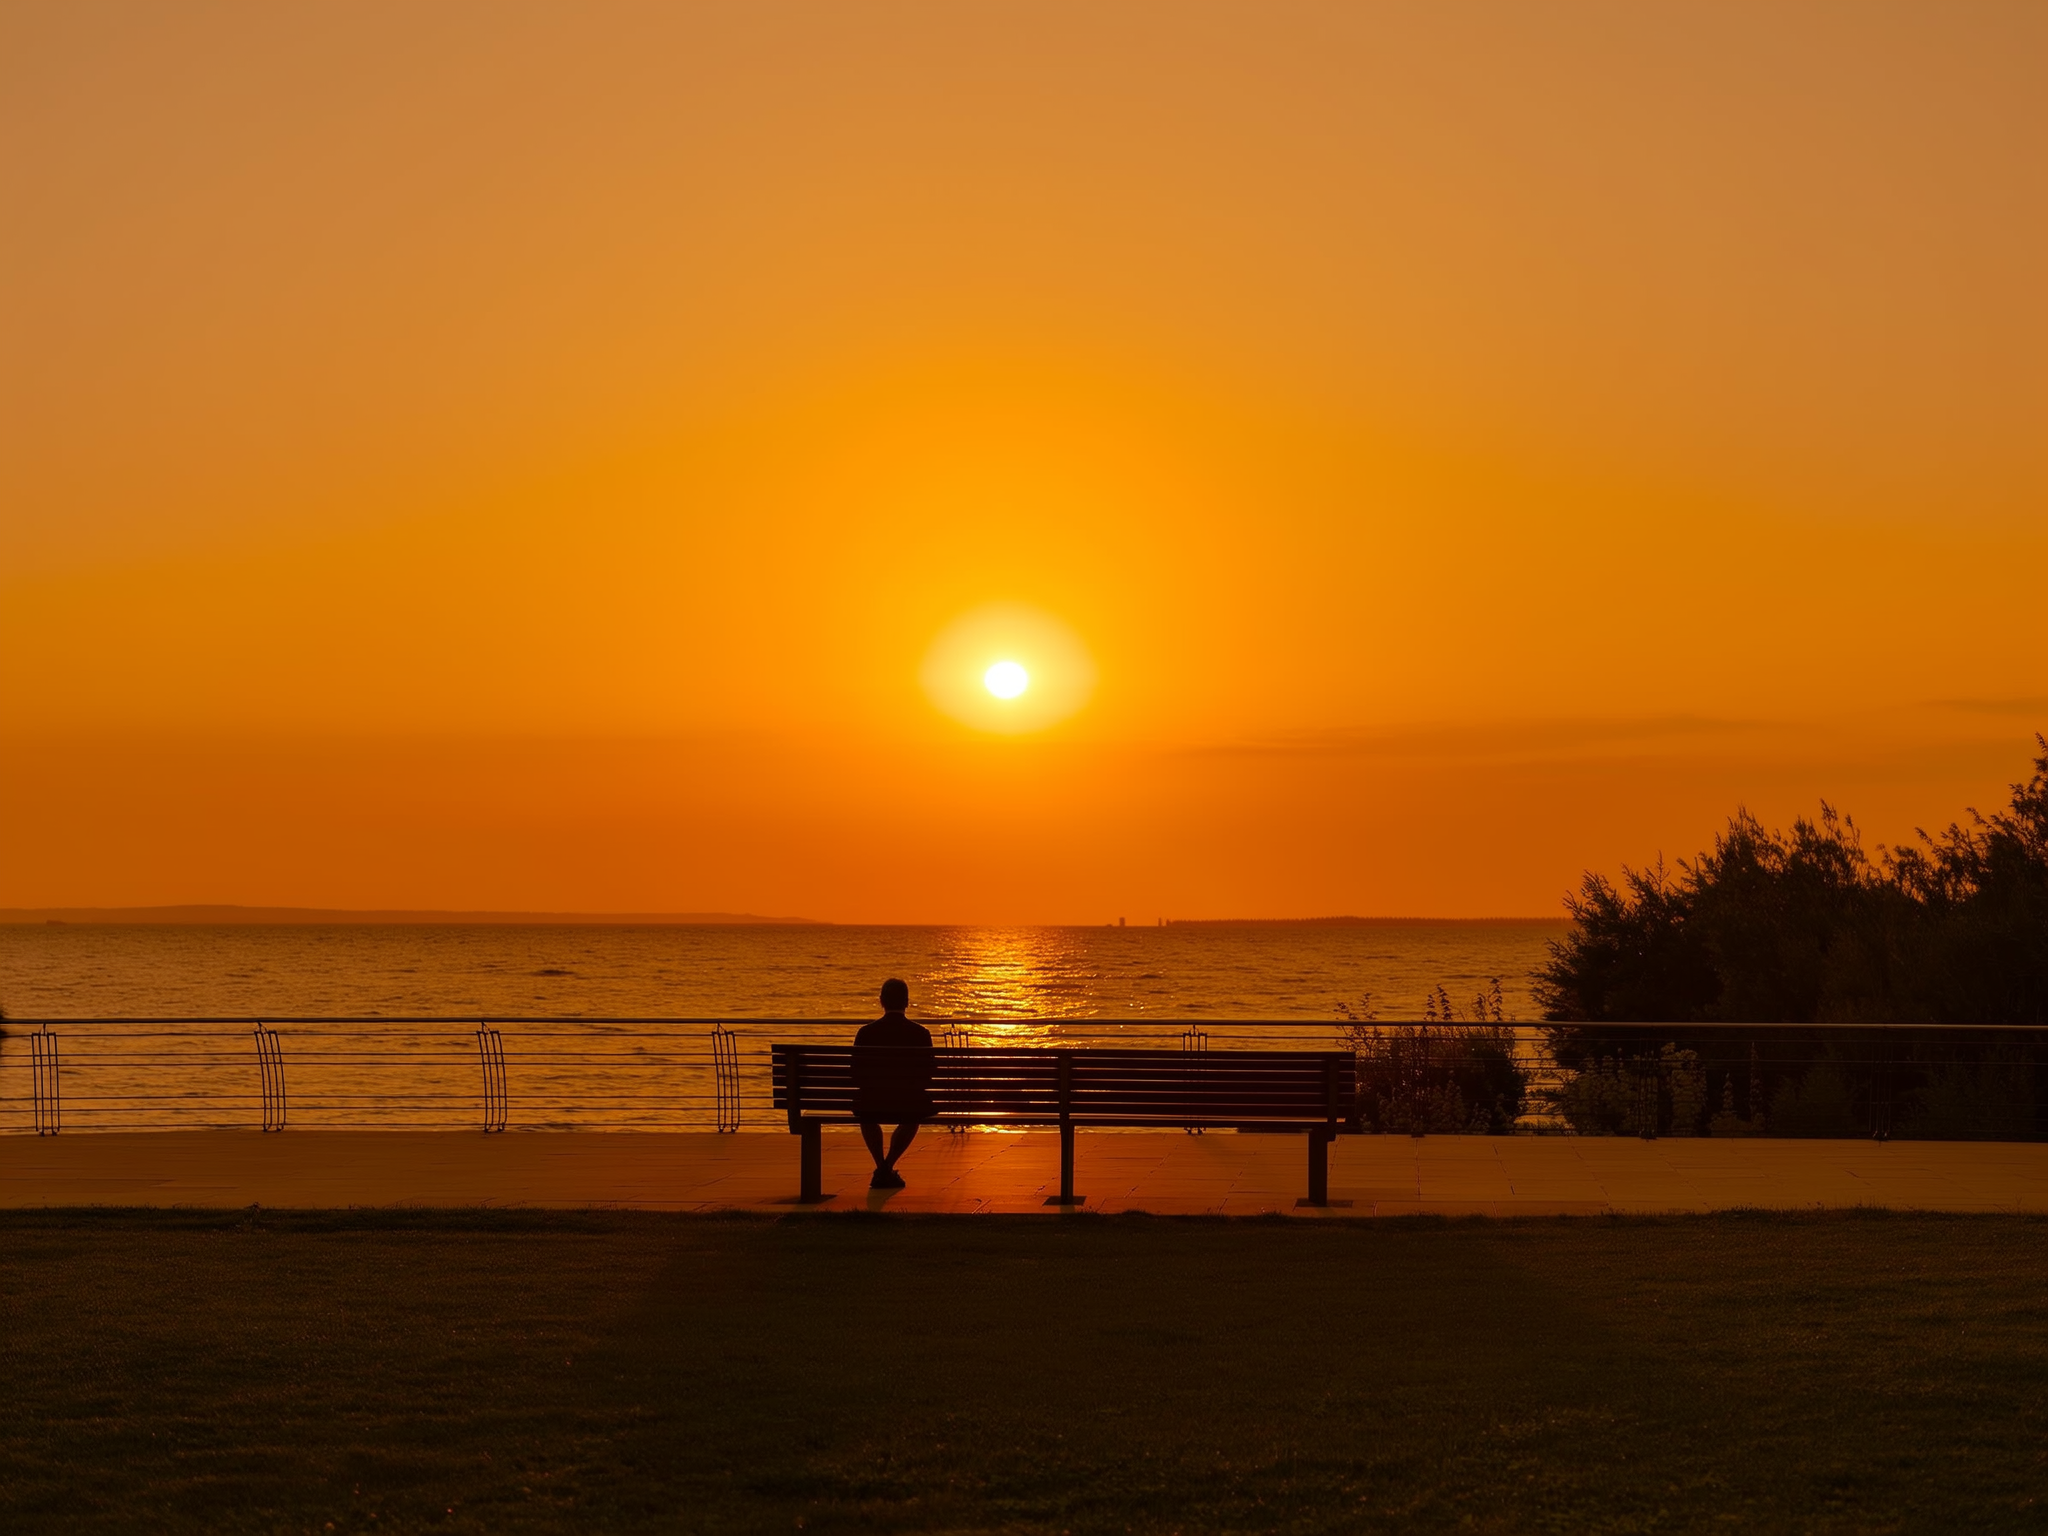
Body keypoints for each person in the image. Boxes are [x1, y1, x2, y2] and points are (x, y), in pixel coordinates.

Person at [852, 978, 935, 1189]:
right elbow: (928, 1075)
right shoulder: (921, 1034)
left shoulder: (866, 1033)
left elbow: (856, 1074)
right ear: (907, 1002)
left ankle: (882, 1168)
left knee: (866, 1114)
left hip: (872, 1100)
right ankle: (886, 1168)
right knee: (913, 1115)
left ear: (881, 1001)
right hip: (908, 1101)